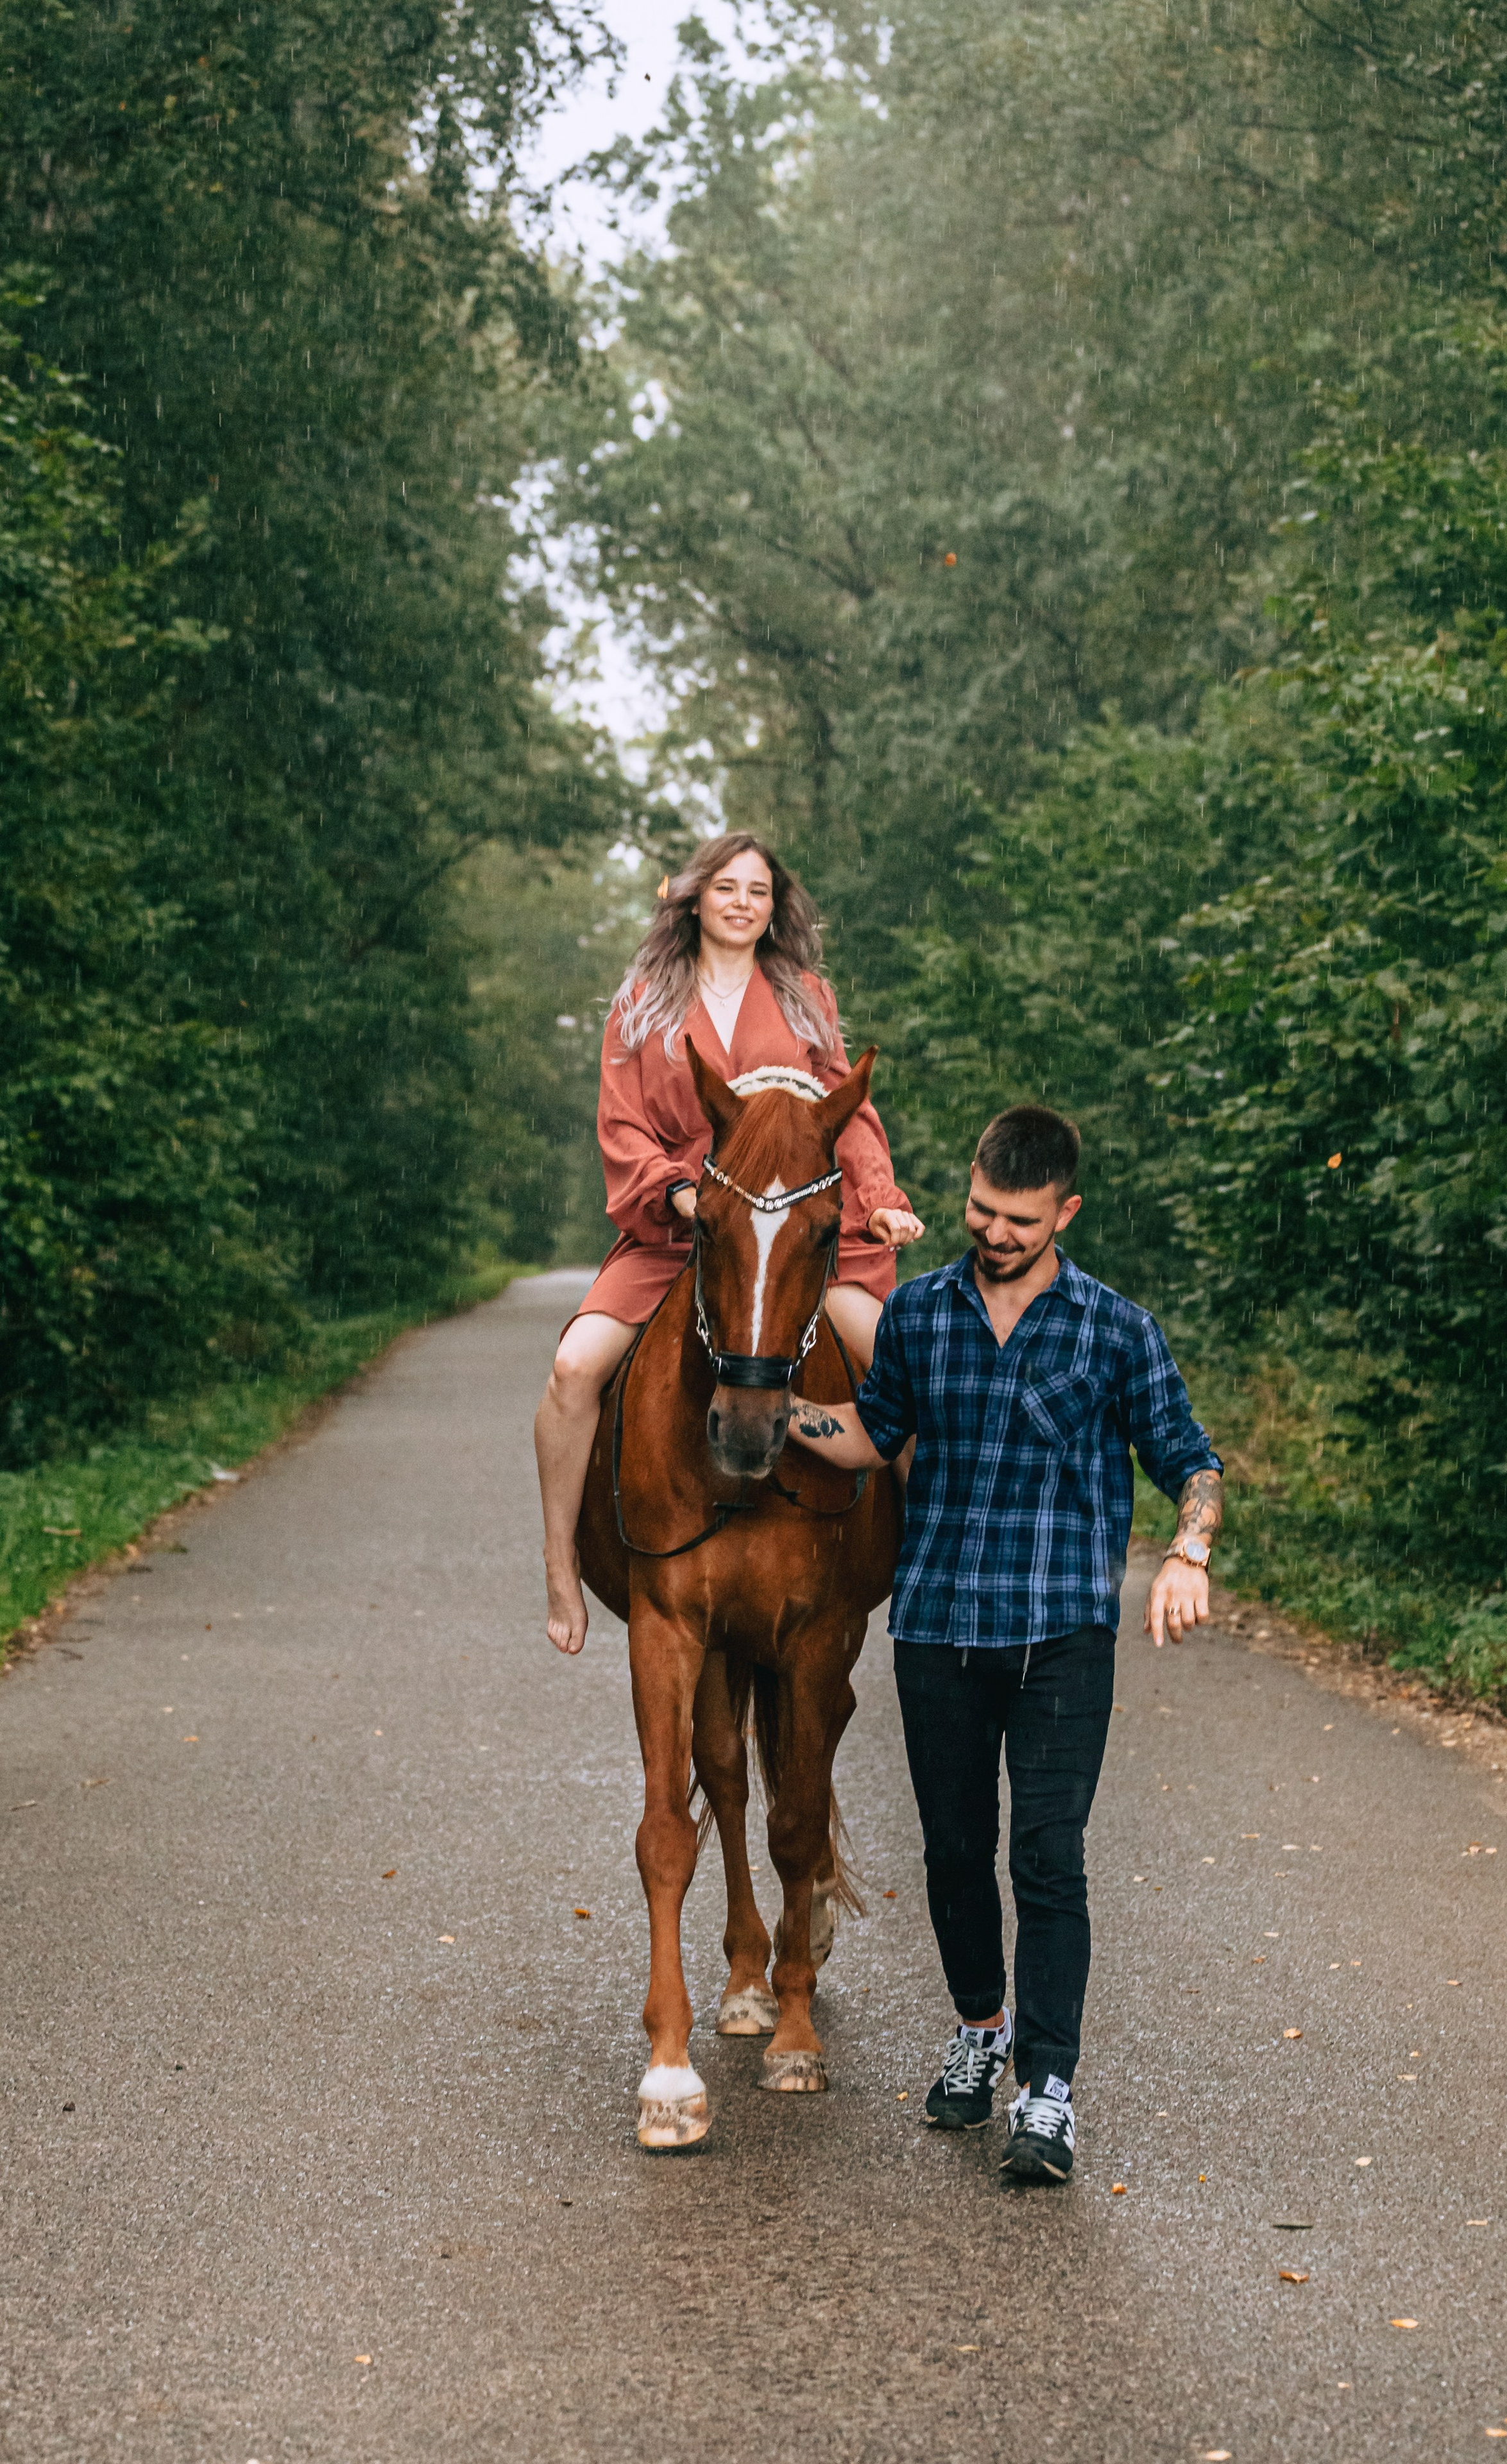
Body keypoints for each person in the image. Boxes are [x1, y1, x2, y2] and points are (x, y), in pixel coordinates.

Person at [786, 1103, 1223, 2188]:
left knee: (1048, 1858)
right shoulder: (923, 1314)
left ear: (1065, 1211)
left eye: (1020, 1220)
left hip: (1062, 1633)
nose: (994, 1231)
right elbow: (873, 1435)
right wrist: (774, 1414)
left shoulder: (1115, 1328)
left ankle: (1048, 2089)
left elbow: (1190, 1458)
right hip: (937, 1626)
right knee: (951, 1854)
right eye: (982, 1208)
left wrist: (1189, 1552)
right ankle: (981, 2028)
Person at [535, 832, 925, 1656]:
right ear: (694, 897)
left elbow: (843, 1112)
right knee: (573, 1371)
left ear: (774, 907)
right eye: (728, 887)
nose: (743, 902)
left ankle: (931, 1556)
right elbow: (622, 1122)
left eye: (759, 891)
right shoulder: (641, 1001)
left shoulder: (805, 997)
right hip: (679, 1228)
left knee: (906, 1369)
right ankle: (561, 1562)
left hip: (791, 1236)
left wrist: (881, 1199)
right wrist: (674, 1193)